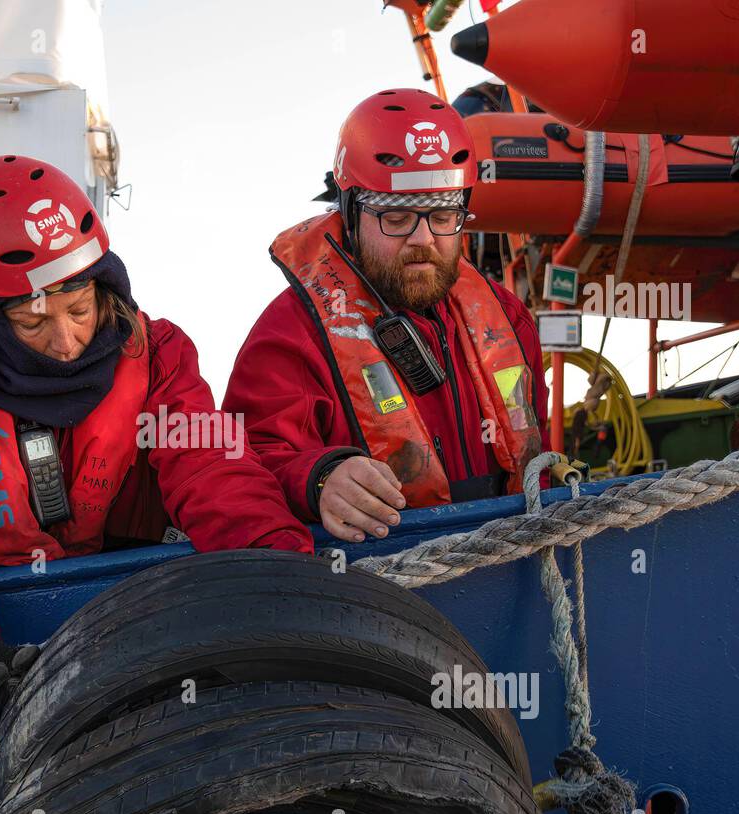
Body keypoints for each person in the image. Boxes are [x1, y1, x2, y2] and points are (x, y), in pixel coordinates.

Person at [0, 155, 313, 759]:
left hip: (145, 617)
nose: (67, 341)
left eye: (80, 308)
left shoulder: (162, 355)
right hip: (8, 632)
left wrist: (285, 572)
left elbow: (211, 469)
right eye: (32, 321)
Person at [224, 89, 548, 545]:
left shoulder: (509, 320)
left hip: (515, 558)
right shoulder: (293, 334)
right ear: (351, 212)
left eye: (442, 215)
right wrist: (319, 479)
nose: (423, 238)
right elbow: (242, 460)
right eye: (397, 218)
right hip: (382, 584)